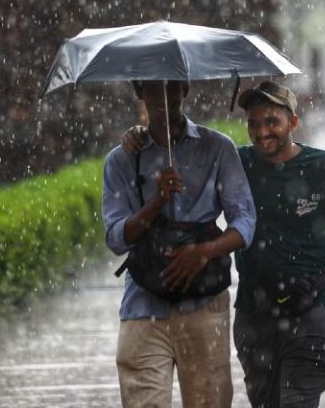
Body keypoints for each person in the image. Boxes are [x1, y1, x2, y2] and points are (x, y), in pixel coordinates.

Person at [122, 81, 325, 408]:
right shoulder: (236, 163)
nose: (261, 132)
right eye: (253, 123)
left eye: (272, 121)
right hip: (255, 318)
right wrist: (142, 137)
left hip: (312, 313)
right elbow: (187, 162)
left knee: (296, 400)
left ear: (293, 123)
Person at [102, 79, 256, 408]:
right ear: (138, 91)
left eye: (172, 87)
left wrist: (204, 252)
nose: (164, 97)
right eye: (153, 88)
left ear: (185, 89)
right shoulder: (122, 160)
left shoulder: (217, 148)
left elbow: (245, 221)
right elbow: (116, 237)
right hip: (143, 304)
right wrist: (157, 201)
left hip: (205, 305)